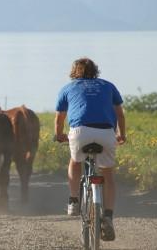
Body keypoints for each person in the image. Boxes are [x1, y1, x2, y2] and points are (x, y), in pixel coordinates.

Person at [54, 58, 126, 242]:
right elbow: (119, 113)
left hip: (80, 132)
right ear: (95, 71)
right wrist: (121, 134)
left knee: (75, 161)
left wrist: (59, 134)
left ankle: (73, 201)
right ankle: (108, 215)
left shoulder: (68, 88)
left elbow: (59, 118)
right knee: (107, 174)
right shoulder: (108, 85)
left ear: (74, 71)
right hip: (106, 133)